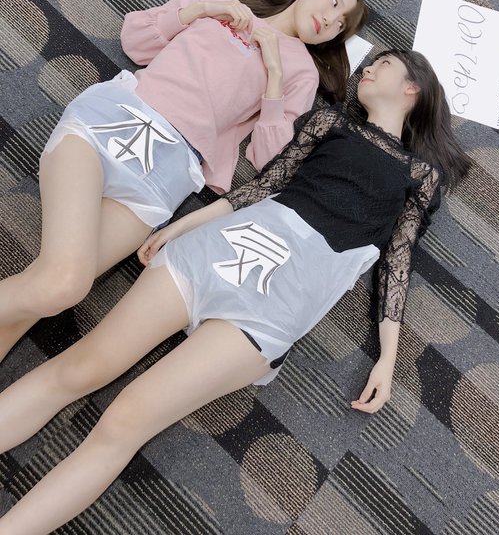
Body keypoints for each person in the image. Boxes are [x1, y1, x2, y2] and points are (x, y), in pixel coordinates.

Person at [0, 50, 471, 534]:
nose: (367, 68)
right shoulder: (329, 122)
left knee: (125, 421)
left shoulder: (420, 176)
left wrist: (388, 359)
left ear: (413, 87)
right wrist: (184, 225)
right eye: (369, 62)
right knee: (79, 369)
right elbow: (263, 186)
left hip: (279, 301)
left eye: (384, 64)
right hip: (221, 247)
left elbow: (397, 264)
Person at [0, 0, 367, 361]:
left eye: (340, 25)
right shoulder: (219, 4)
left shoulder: (301, 72)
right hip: (114, 120)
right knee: (62, 284)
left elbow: (270, 159)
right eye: (334, 3)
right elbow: (136, 41)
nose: (331, 19)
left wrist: (274, 74)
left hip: (165, 174)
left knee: (50, 286)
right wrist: (201, 9)